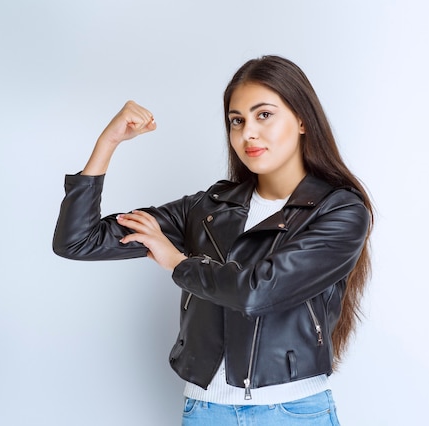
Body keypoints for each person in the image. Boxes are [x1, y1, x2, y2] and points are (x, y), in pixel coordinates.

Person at [53, 55, 373, 425]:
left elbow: (257, 292)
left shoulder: (340, 211)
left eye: (264, 115)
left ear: (302, 120)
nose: (247, 133)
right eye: (237, 121)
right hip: (206, 412)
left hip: (292, 412)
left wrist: (176, 262)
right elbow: (77, 241)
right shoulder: (208, 209)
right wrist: (108, 142)